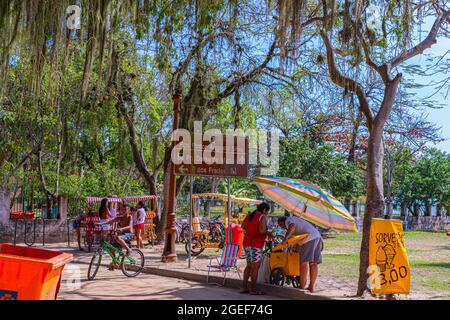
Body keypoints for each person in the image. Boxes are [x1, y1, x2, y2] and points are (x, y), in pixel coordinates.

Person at [277, 204, 323, 293]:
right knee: (313, 263)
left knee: (304, 262)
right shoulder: (297, 221)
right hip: (317, 236)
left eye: (281, 225)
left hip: (309, 238)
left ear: (283, 221)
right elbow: (297, 240)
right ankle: (311, 287)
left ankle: (302, 286)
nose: (282, 227)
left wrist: (285, 238)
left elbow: (292, 226)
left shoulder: (289, 220)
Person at [240, 202, 272, 295]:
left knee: (249, 265)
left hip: (247, 243)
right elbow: (262, 230)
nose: (267, 213)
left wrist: (250, 232)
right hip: (256, 244)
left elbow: (243, 227)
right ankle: (253, 289)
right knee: (255, 267)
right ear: (265, 210)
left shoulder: (250, 214)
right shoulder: (262, 216)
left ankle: (244, 287)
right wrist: (268, 233)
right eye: (267, 211)